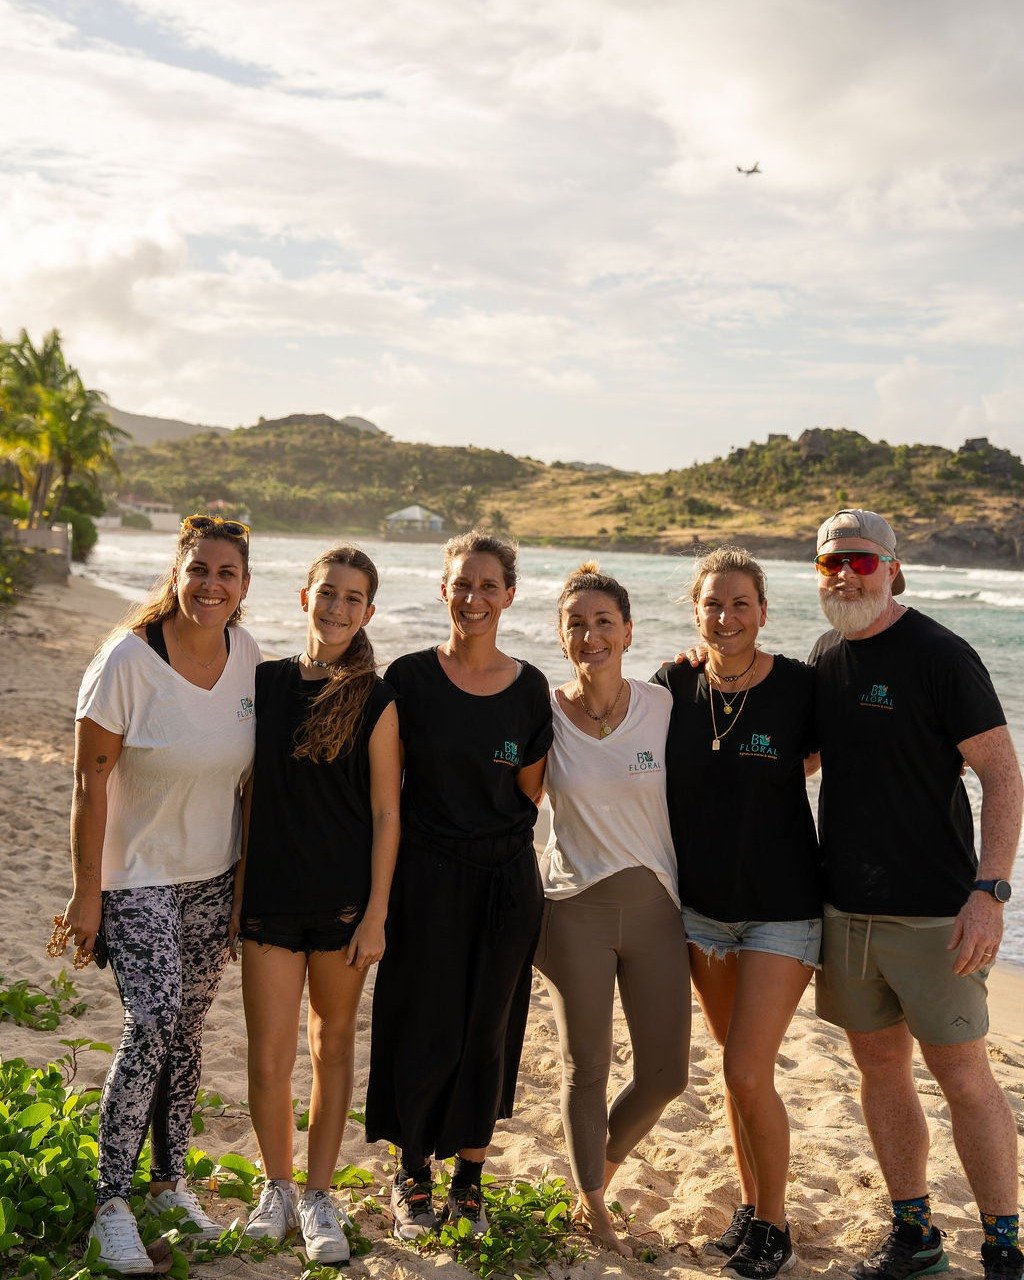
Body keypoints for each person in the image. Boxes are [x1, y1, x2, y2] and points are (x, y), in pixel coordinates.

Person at [807, 509, 1023, 1280]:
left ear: (894, 567)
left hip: (938, 915)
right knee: (880, 1071)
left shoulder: (941, 654)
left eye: (861, 562)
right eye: (830, 563)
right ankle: (915, 1237)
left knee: (964, 1075)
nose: (845, 575)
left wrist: (990, 892)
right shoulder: (825, 654)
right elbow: (799, 760)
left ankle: (1003, 1247)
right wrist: (709, 672)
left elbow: (1002, 775)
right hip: (846, 911)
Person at [60, 514, 259, 1274]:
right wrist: (87, 894)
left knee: (188, 1029)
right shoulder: (126, 662)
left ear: (243, 587)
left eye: (227, 574)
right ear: (177, 572)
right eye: (200, 569)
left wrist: (243, 887)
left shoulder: (248, 658)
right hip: (135, 875)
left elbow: (250, 788)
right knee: (152, 1020)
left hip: (211, 875)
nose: (212, 585)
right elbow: (89, 782)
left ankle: (167, 1183)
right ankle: (112, 1203)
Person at [365, 530, 553, 1240]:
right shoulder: (408, 679)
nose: (474, 598)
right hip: (425, 877)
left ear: (510, 594)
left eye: (488, 586)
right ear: (443, 590)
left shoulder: (531, 688)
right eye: (461, 585)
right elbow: (386, 792)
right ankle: (413, 1173)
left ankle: (469, 1183)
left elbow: (527, 793)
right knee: (420, 1022)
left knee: (487, 1031)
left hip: (507, 885)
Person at [655, 546, 820, 1280]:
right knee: (734, 1072)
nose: (727, 617)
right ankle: (754, 1209)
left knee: (750, 1072)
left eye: (741, 604)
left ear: (763, 611)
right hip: (700, 916)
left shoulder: (800, 689)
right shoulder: (672, 685)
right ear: (696, 611)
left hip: (783, 912)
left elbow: (832, 763)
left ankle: (776, 1227)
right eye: (714, 605)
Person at [234, 546, 401, 1266]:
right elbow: (239, 790)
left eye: (353, 598)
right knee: (269, 1058)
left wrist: (376, 916)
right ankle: (276, 1186)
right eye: (327, 593)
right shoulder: (263, 682)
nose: (337, 608)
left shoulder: (377, 696)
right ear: (304, 597)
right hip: (269, 899)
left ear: (368, 611)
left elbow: (389, 814)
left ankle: (319, 1195)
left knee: (332, 1050)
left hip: (341, 907)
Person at [535, 562, 689, 1257]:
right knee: (584, 1069)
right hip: (574, 912)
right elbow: (503, 801)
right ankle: (594, 1206)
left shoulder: (664, 704)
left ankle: (597, 1171)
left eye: (603, 622)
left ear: (627, 631)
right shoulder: (540, 714)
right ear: (561, 634)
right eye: (577, 623)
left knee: (665, 1074)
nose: (590, 634)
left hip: (657, 909)